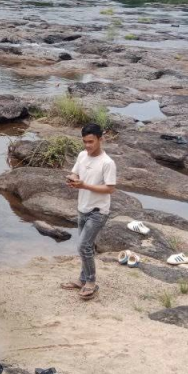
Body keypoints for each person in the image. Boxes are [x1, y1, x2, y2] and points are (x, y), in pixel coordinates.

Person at [61, 123, 117, 301]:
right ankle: (82, 279)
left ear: (101, 139)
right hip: (82, 208)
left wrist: (83, 185)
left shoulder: (107, 163)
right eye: (85, 142)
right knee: (87, 247)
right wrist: (73, 179)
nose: (87, 145)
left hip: (98, 211)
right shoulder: (82, 155)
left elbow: (110, 189)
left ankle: (91, 283)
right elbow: (74, 173)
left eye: (91, 142)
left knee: (83, 246)